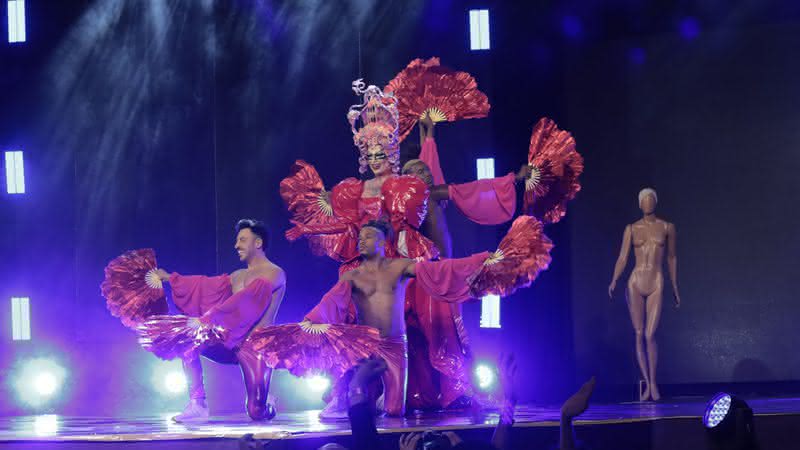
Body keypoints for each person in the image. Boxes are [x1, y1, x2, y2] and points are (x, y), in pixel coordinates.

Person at [150, 219, 287, 422]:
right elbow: (205, 285)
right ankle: (198, 403)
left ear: (258, 243)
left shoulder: (275, 273)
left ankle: (268, 402)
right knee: (188, 340)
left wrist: (209, 318)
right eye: (237, 240)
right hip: (229, 341)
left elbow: (248, 299)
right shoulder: (237, 275)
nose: (236, 245)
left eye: (242, 240)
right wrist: (171, 278)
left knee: (257, 412)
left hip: (255, 346)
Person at [608, 188, 680, 402]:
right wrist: (614, 279)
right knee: (639, 334)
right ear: (640, 204)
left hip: (656, 280)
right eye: (644, 200)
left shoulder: (667, 227)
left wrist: (675, 286)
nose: (647, 202)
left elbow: (672, 258)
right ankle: (648, 384)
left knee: (650, 335)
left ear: (655, 202)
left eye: (651, 199)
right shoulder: (631, 229)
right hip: (635, 282)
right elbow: (622, 257)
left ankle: (654, 382)